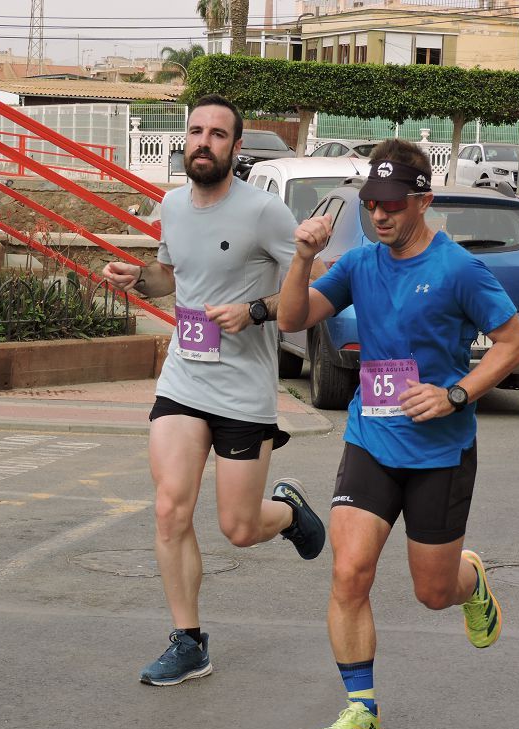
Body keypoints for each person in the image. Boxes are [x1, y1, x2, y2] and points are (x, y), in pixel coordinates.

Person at [278, 138, 519, 729]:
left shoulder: (458, 270)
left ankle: (471, 580)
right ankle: (361, 709)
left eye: (392, 204)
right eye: (371, 204)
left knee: (432, 592)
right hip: (371, 438)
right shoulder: (362, 263)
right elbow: (292, 319)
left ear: (423, 200)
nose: (379, 215)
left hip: (440, 452)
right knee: (348, 572)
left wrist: (456, 395)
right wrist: (301, 259)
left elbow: (514, 343)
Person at [101, 94, 327, 687]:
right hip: (184, 376)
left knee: (240, 528)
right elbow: (172, 279)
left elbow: (318, 294)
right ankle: (188, 640)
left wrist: (255, 310)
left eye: (218, 134)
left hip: (243, 390)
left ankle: (289, 510)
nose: (204, 142)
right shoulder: (171, 205)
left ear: (235, 146)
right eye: (196, 131)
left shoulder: (264, 213)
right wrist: (138, 278)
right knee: (170, 508)